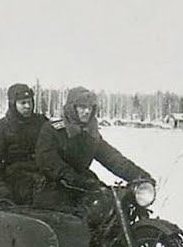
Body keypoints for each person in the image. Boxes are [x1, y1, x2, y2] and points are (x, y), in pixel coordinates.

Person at [33, 86, 154, 215]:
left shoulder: (90, 133)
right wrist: (75, 179)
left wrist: (140, 176)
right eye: (82, 107)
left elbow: (113, 159)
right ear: (72, 108)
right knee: (70, 221)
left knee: (110, 209)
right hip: (53, 186)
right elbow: (49, 162)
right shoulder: (53, 130)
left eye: (90, 108)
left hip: (81, 184)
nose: (87, 111)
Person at [0, 83, 48, 204]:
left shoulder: (42, 123)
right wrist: (0, 186)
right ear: (13, 104)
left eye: (30, 102)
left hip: (43, 170)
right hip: (15, 178)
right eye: (23, 103)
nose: (28, 106)